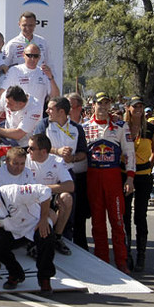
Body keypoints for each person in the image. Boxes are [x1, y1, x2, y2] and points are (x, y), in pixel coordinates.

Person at [0, 177, 56, 294]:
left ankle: (44, 279)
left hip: (34, 225)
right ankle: (16, 274)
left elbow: (44, 191)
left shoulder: (13, 192)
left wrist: (43, 219)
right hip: (14, 232)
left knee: (47, 236)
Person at [83, 92, 135, 274]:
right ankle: (101, 261)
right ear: (93, 106)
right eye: (100, 104)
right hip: (93, 177)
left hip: (113, 178)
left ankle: (121, 261)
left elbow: (129, 152)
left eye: (106, 104)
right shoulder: (85, 127)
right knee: (97, 223)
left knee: (118, 221)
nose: (103, 107)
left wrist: (130, 177)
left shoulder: (121, 126)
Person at [123, 96, 154, 272]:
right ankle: (126, 253)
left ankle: (141, 254)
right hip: (125, 175)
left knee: (141, 216)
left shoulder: (151, 128)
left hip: (144, 175)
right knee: (125, 215)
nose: (138, 109)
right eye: (135, 106)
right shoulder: (123, 128)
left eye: (141, 106)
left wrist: (148, 167)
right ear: (128, 108)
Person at [26, 133, 75, 256]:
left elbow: (70, 186)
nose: (28, 150)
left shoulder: (56, 161)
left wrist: (44, 189)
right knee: (51, 215)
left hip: (46, 196)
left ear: (43, 152)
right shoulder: (25, 160)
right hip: (30, 198)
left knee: (67, 198)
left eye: (32, 148)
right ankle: (34, 242)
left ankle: (57, 237)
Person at [0, 43, 59, 127]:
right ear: (23, 55)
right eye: (29, 55)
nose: (32, 59)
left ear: (39, 57)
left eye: (35, 56)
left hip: (35, 124)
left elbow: (55, 97)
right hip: (14, 124)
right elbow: (2, 92)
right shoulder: (15, 70)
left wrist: (51, 78)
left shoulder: (44, 73)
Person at [66, 93, 91, 250]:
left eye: (70, 107)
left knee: (81, 215)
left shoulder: (88, 126)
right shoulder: (58, 126)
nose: (67, 110)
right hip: (65, 175)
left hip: (83, 175)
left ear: (79, 108)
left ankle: (82, 247)